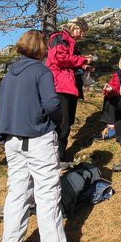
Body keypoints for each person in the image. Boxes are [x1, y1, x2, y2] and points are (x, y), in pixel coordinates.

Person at [0, 30, 87, 242]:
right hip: (38, 138)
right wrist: (57, 122)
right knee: (47, 194)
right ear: (40, 48)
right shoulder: (41, 71)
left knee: (17, 192)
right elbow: (51, 103)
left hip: (12, 140)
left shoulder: (9, 75)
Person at [46, 18, 93, 161]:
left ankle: (59, 155)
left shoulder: (71, 43)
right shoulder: (59, 38)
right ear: (75, 27)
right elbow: (59, 59)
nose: (82, 35)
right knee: (63, 122)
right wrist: (82, 60)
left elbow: (70, 61)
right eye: (82, 31)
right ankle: (56, 157)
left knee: (68, 120)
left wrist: (84, 66)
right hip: (59, 85)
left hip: (69, 86)